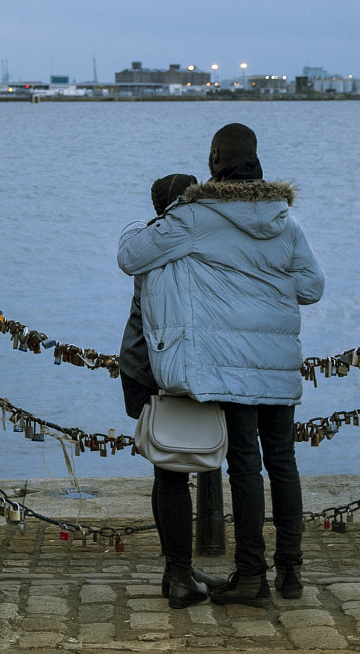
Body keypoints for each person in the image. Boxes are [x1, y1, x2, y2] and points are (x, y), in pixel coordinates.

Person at [118, 123, 324, 606]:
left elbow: (132, 256)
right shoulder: (285, 221)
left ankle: (252, 576)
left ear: (214, 160)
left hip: (230, 364)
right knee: (284, 463)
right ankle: (290, 574)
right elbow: (311, 288)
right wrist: (265, 285)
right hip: (277, 362)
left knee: (245, 467)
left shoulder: (195, 217)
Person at [118, 172, 222, 608]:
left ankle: (175, 568)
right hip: (167, 368)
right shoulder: (188, 243)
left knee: (167, 471)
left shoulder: (149, 243)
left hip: (141, 366)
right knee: (174, 474)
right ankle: (179, 574)